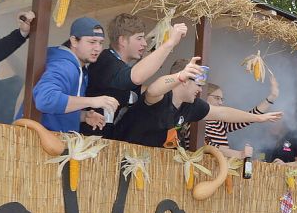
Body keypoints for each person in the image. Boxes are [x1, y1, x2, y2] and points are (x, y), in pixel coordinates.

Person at [113, 57, 282, 148]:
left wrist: (259, 118)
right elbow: (153, 90)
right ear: (184, 81)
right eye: (198, 85)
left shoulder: (192, 105)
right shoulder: (161, 97)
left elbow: (223, 113)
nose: (200, 90)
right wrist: (179, 76)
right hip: (119, 150)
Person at [80, 14, 187, 138]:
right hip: (91, 140)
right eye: (139, 38)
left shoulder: (117, 63)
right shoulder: (106, 62)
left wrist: (157, 40)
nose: (144, 43)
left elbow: (139, 68)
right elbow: (136, 76)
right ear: (122, 41)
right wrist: (170, 43)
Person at [32, 17, 118, 132]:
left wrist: (83, 116)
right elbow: (46, 99)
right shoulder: (65, 66)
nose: (97, 48)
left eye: (101, 43)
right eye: (92, 42)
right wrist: (93, 101)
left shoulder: (79, 68)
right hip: (38, 143)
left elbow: (52, 112)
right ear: (74, 41)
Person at [203, 72, 279, 158]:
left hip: (220, 167)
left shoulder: (220, 123)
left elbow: (248, 118)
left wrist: (272, 97)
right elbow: (207, 146)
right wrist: (239, 154)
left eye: (222, 99)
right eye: (217, 98)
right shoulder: (196, 120)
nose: (220, 103)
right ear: (204, 96)